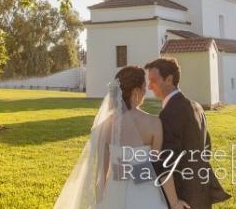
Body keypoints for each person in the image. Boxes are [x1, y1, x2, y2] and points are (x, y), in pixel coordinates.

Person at [54, 66, 190, 209]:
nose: (145, 91)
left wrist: (101, 203)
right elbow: (161, 169)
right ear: (136, 92)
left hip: (114, 193)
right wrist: (174, 203)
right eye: (144, 87)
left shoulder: (105, 126)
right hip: (145, 195)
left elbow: (101, 175)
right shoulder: (154, 123)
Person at [145, 57, 231, 209]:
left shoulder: (169, 113)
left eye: (153, 80)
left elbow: (166, 162)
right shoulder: (196, 106)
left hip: (183, 196)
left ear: (169, 79)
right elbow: (206, 147)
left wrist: (174, 202)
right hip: (201, 191)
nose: (149, 86)